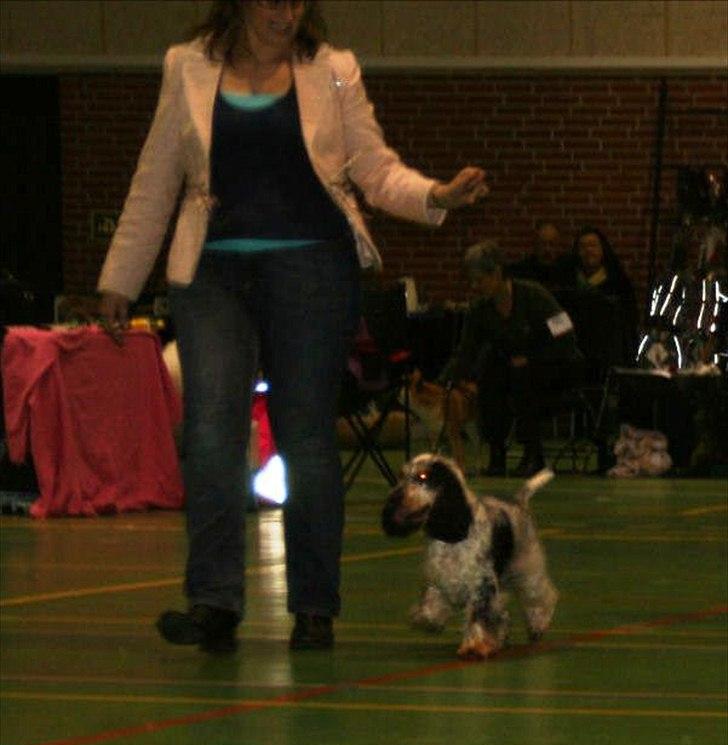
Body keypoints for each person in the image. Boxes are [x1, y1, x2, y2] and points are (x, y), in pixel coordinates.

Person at [96, 0, 487, 655]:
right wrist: (119, 278)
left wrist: (434, 197)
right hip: (211, 274)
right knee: (211, 432)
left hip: (312, 270)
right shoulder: (186, 66)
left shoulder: (333, 70)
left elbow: (373, 167)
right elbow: (155, 178)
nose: (287, 12)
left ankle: (314, 607)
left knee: (306, 434)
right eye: (274, 0)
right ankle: (213, 602)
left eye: (297, 1)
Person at [440, 240, 583, 477]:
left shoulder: (535, 295)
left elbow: (566, 334)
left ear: (496, 272)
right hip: (511, 368)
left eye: (480, 279)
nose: (475, 286)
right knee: (490, 373)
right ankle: (497, 452)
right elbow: (466, 351)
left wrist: (533, 358)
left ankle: (533, 453)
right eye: (472, 280)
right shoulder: (479, 310)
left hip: (554, 363)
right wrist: (443, 382)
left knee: (523, 377)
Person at [562, 225, 639, 363]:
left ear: (602, 249)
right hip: (574, 355)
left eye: (593, 245)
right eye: (583, 247)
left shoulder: (618, 282)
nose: (588, 251)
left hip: (608, 355)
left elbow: (629, 321)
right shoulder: (567, 282)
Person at [509, 220, 569, 290]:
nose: (547, 249)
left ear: (558, 245)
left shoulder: (566, 271)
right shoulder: (522, 271)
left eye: (551, 244)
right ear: (536, 244)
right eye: (543, 244)